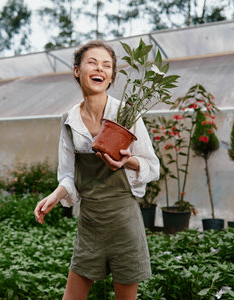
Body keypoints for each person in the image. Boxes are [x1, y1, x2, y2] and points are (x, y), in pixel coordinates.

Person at [34, 40, 159, 300]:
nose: (99, 68)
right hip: (90, 222)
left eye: (107, 65)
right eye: (92, 62)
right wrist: (54, 196)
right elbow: (69, 175)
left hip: (124, 221)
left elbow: (152, 166)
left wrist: (128, 161)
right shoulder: (69, 121)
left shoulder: (126, 113)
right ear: (77, 70)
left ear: (112, 76)